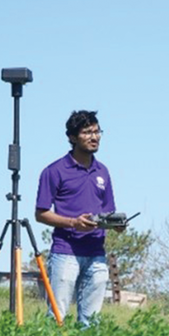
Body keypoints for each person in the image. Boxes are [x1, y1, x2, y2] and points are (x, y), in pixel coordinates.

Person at [35, 110, 122, 325]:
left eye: (97, 131)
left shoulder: (103, 171)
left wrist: (116, 225)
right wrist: (73, 222)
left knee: (91, 320)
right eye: (87, 132)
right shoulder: (54, 171)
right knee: (57, 316)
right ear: (73, 137)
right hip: (65, 252)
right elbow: (41, 213)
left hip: (96, 252)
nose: (94, 137)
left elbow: (108, 212)